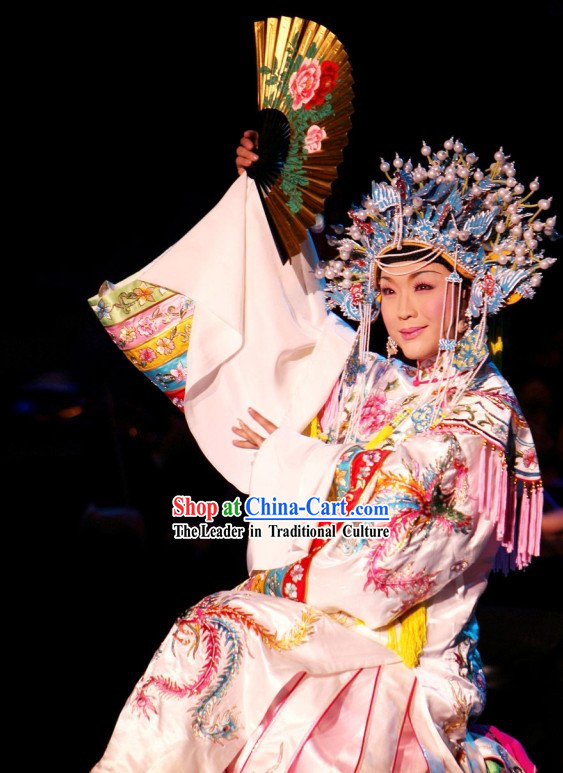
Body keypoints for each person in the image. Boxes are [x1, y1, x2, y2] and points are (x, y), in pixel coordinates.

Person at [89, 132, 557, 772]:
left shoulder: (483, 414)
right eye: (387, 291)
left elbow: (394, 560)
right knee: (212, 642)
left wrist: (299, 468)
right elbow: (301, 330)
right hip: (333, 632)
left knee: (227, 638)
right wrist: (276, 202)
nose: (402, 311)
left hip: (404, 655)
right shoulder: (383, 383)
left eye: (422, 286)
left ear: (470, 292)